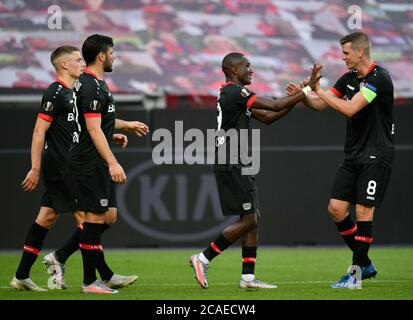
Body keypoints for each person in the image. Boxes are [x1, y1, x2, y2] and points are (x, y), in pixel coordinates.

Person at [189, 52, 322, 289]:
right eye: (246, 66)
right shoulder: (234, 91)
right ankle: (203, 258)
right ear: (233, 70)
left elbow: (270, 117)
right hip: (232, 160)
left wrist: (299, 98)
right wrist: (307, 90)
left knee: (253, 218)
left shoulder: (237, 97)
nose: (251, 70)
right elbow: (274, 104)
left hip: (235, 159)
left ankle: (248, 278)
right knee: (249, 218)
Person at [286, 31, 394, 289]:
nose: (342, 57)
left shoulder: (379, 77)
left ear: (360, 52)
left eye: (346, 53)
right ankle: (365, 263)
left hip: (376, 155)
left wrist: (317, 91)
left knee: (363, 212)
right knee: (336, 209)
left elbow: (349, 108)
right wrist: (304, 95)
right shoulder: (348, 78)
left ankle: (356, 274)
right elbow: (319, 105)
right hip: (353, 155)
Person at [65, 34, 149, 294]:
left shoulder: (97, 84)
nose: (114, 57)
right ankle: (90, 282)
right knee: (94, 218)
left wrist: (125, 125)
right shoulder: (90, 85)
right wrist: (113, 162)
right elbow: (92, 128)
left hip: (94, 159)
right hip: (88, 161)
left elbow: (101, 121)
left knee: (108, 216)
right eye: (112, 53)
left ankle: (84, 266)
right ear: (101, 55)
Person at [9, 45, 85, 291]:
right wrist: (34, 168)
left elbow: (74, 129)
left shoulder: (72, 93)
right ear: (64, 65)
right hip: (61, 166)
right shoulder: (55, 93)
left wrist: (112, 134)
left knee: (47, 217)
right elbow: (39, 131)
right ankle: (93, 275)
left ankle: (21, 276)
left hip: (68, 164)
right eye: (78, 59)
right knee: (90, 219)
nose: (82, 63)